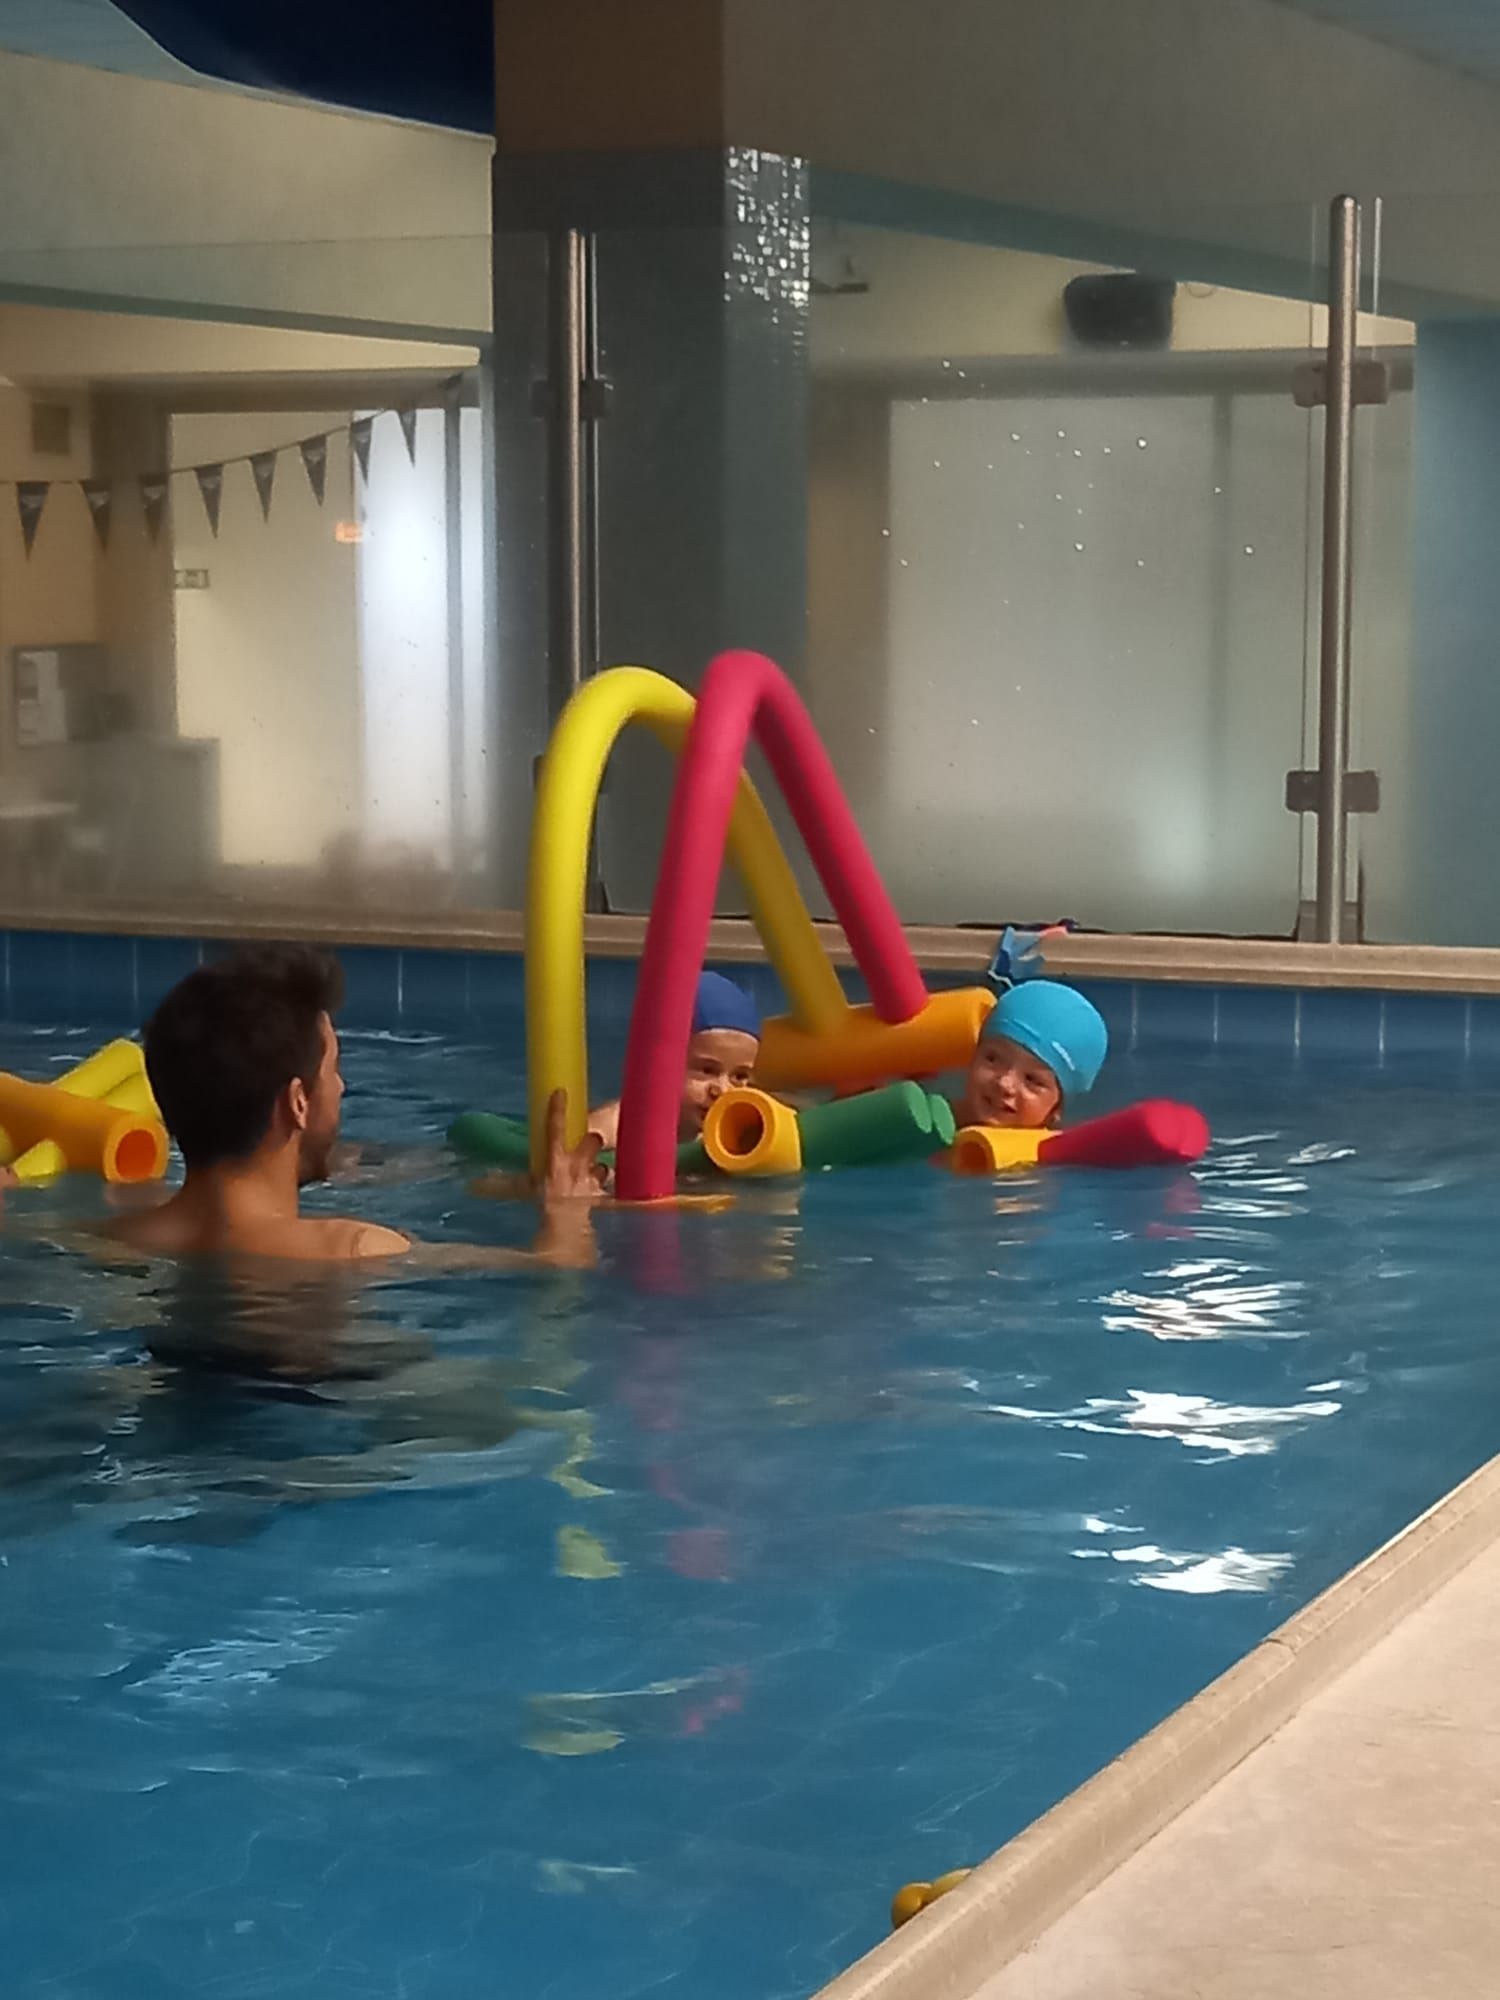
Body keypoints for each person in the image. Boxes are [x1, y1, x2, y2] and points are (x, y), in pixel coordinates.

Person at [101, 944, 602, 1267]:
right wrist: (568, 1214)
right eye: (333, 1070)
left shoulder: (109, 1242)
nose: (340, 1087)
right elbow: (559, 1268)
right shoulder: (353, 1250)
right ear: (298, 1102)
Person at [588, 969, 761, 1149]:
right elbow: (592, 1138)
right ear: (659, 1064)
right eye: (707, 1070)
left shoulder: (732, 1135)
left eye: (739, 1076)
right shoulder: (622, 1125)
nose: (723, 1091)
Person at [952, 980, 1108, 1131]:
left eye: (1032, 1079)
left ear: (1057, 1108)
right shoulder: (940, 1121)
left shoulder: (1054, 1149)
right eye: (992, 1059)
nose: (1004, 1083)